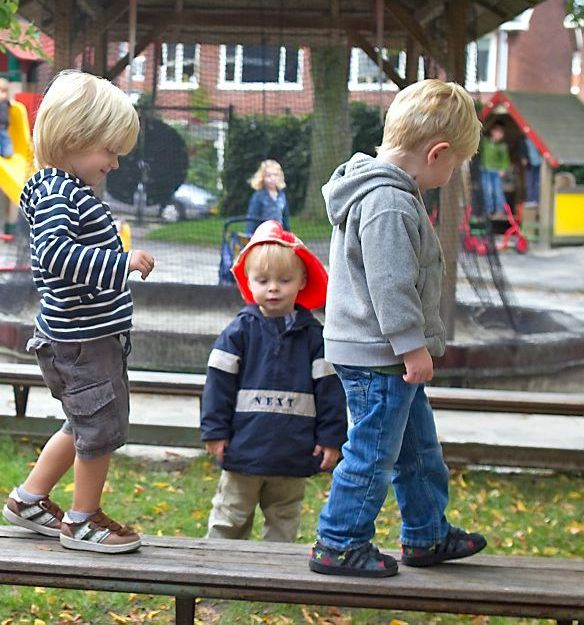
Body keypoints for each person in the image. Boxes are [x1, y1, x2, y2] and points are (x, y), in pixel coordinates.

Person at [311, 79, 487, 578]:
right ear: (437, 153)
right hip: (381, 355)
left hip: (381, 354)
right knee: (372, 453)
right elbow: (391, 285)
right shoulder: (389, 202)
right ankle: (339, 542)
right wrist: (413, 347)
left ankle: (427, 534)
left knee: (416, 449)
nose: (452, 174)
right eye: (455, 164)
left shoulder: (383, 192)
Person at [1, 70, 156, 554]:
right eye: (108, 150)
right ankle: (83, 519)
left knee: (81, 422)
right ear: (74, 138)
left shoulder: (63, 190)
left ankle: (29, 499)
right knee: (99, 429)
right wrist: (120, 263)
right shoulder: (57, 194)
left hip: (83, 336)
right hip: (81, 340)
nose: (113, 163)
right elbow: (56, 257)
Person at [202, 220, 346, 543]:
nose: (273, 288)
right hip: (243, 450)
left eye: (284, 280)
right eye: (262, 280)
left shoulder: (314, 338)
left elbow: (330, 393)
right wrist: (215, 431)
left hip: (293, 453)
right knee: (230, 516)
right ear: (248, 282)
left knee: (284, 520)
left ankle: (273, 582)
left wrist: (331, 438)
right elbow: (217, 387)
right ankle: (217, 578)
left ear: (302, 281)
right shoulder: (238, 332)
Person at [246, 160, 291, 235]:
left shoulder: (282, 196)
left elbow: (285, 219)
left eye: (275, 175)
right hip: (263, 234)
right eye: (268, 175)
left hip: (279, 233)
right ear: (262, 177)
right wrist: (249, 235)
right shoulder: (258, 196)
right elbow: (252, 218)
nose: (272, 178)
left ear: (280, 177)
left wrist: (288, 234)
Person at [479, 123, 510, 216]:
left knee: (498, 191)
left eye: (502, 133)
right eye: (498, 133)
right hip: (485, 170)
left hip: (496, 172)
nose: (500, 135)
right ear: (493, 132)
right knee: (487, 190)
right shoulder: (485, 143)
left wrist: (503, 169)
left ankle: (500, 210)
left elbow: (505, 160)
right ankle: (488, 210)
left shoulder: (502, 146)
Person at [521, 136, 542, 207]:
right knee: (529, 182)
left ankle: (536, 200)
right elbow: (522, 151)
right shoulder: (524, 140)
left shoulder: (538, 139)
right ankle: (531, 200)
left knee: (537, 183)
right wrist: (523, 158)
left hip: (539, 164)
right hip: (530, 165)